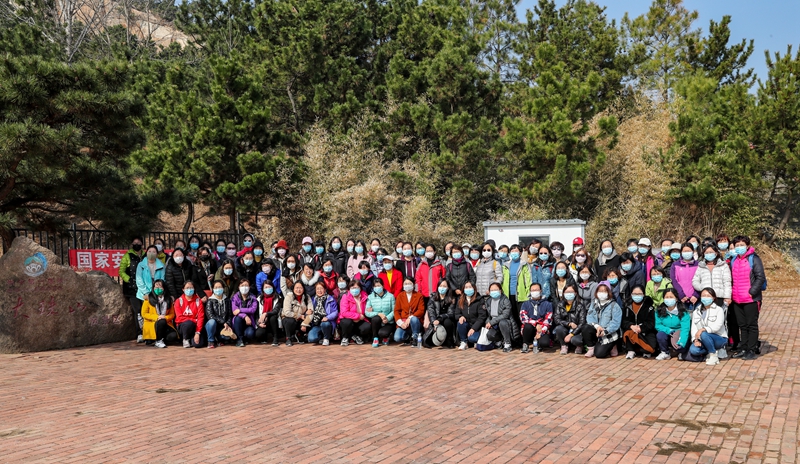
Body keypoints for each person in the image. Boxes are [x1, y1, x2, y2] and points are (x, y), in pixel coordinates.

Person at [729, 235, 766, 360]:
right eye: (737, 245)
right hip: (737, 299)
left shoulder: (754, 259)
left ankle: (751, 349)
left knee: (751, 325)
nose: (739, 247)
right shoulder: (734, 260)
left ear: (747, 246)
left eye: (742, 245)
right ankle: (743, 348)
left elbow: (760, 277)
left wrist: (751, 292)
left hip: (751, 299)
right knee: (742, 325)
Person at [687, 288, 729, 365]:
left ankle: (713, 355)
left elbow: (718, 326)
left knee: (704, 334)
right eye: (703, 295)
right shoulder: (696, 311)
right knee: (694, 350)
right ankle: (713, 350)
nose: (705, 298)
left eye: (708, 296)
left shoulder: (718, 310)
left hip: (719, 338)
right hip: (702, 339)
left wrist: (703, 329)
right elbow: (694, 328)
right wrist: (695, 340)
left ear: (713, 298)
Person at [582, 283, 622, 359]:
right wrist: (597, 327)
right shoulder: (594, 303)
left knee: (600, 354)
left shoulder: (614, 305)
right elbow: (589, 317)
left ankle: (613, 345)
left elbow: (616, 323)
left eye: (604, 291)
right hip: (597, 330)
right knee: (585, 328)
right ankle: (591, 348)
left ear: (608, 292)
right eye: (600, 291)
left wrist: (605, 331)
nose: (602, 293)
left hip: (609, 333)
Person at [134, 245, 165, 343]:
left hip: (156, 293)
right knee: (142, 314)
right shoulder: (141, 265)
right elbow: (139, 279)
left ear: (157, 254)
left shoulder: (161, 265)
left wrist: (156, 291)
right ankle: (141, 333)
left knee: (155, 314)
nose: (151, 253)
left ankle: (153, 335)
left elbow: (163, 279)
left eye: (154, 251)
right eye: (149, 251)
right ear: (146, 252)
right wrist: (146, 292)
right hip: (143, 294)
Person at [120, 236, 146, 342]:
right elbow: (121, 271)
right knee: (138, 310)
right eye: (134, 242)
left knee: (146, 310)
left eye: (138, 242)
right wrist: (129, 280)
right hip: (132, 289)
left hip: (144, 288)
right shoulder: (127, 256)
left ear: (142, 244)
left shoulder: (146, 255)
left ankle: (147, 332)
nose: (136, 244)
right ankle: (140, 333)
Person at [654, 288, 691, 360]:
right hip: (667, 334)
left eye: (671, 297)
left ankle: (681, 352)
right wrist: (668, 330)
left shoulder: (683, 312)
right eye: (666, 297)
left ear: (676, 299)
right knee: (660, 335)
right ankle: (665, 352)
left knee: (681, 347)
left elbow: (685, 329)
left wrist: (682, 342)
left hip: (680, 335)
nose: (669, 299)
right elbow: (658, 325)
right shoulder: (659, 311)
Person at [621, 285, 657, 359]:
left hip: (645, 332)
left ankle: (643, 350)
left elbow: (651, 323)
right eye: (635, 294)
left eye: (639, 294)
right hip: (632, 330)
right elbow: (624, 321)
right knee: (628, 333)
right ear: (631, 294)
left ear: (643, 294)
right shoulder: (627, 307)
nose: (637, 296)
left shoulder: (649, 307)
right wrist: (631, 326)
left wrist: (641, 328)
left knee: (650, 348)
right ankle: (631, 351)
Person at [140, 279, 177, 348]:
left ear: (164, 288)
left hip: (165, 323)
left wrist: (165, 317)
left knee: (173, 336)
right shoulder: (148, 299)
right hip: (152, 323)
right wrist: (157, 317)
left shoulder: (168, 300)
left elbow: (172, 314)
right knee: (161, 321)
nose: (158, 289)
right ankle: (158, 341)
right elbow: (144, 314)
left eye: (160, 287)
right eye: (156, 287)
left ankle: (161, 338)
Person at [552, 284, 588, 355]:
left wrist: (571, 334)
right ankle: (564, 345)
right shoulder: (560, 305)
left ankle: (579, 346)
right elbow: (557, 319)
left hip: (577, 330)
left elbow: (582, 322)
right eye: (567, 292)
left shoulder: (580, 306)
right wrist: (568, 323)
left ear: (575, 293)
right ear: (563, 293)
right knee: (559, 328)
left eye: (571, 292)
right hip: (565, 328)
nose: (569, 294)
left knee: (576, 340)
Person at [519, 283, 553, 353]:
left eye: (537, 290)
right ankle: (525, 344)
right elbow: (523, 318)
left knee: (545, 343)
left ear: (541, 291)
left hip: (542, 328)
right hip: (530, 329)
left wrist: (541, 332)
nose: (535, 292)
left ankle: (537, 344)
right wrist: (536, 324)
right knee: (527, 326)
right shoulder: (525, 304)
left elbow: (548, 320)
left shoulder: (548, 304)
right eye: (533, 290)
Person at [482, 282, 517, 353]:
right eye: (492, 290)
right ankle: (500, 341)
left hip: (505, 322)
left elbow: (505, 315)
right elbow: (489, 315)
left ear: (500, 291)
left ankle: (508, 343)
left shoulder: (505, 300)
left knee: (502, 323)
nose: (493, 291)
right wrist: (488, 322)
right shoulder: (488, 301)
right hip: (494, 324)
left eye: (496, 290)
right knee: (489, 335)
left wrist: (491, 322)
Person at [422, 280, 455, 348]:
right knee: (430, 340)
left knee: (448, 322)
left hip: (445, 319)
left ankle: (449, 340)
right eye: (441, 286)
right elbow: (431, 311)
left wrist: (440, 318)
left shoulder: (452, 298)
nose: (442, 288)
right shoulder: (433, 297)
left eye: (444, 286)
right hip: (435, 320)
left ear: (448, 288)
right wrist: (434, 321)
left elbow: (451, 313)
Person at [394, 277, 426, 346]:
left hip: (416, 322)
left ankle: (415, 338)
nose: (407, 285)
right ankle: (408, 338)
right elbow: (396, 311)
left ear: (413, 285)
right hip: (404, 322)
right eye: (405, 284)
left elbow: (421, 310)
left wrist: (410, 318)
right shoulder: (400, 296)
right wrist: (401, 323)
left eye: (409, 283)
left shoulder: (419, 295)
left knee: (414, 319)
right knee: (397, 338)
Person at [363, 280, 396, 347]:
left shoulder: (390, 296)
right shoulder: (370, 297)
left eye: (378, 286)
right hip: (377, 323)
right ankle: (375, 338)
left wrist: (387, 318)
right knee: (375, 319)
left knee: (383, 333)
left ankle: (386, 337)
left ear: (383, 286)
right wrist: (378, 314)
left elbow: (394, 311)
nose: (377, 288)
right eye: (375, 286)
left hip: (388, 322)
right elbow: (367, 312)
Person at [454, 282, 486, 350]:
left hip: (477, 327)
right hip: (466, 325)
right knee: (460, 323)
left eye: (470, 287)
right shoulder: (460, 300)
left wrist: (473, 328)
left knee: (472, 338)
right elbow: (456, 313)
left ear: (474, 288)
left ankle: (474, 340)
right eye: (466, 287)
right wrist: (460, 316)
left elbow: (482, 317)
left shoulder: (480, 300)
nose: (468, 289)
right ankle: (464, 342)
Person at [174, 281, 204, 348]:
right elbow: (179, 317)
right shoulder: (178, 301)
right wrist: (193, 320)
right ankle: (185, 339)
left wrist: (197, 332)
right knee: (189, 323)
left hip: (195, 327)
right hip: (183, 326)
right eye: (187, 288)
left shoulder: (198, 301)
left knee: (198, 344)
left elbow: (200, 317)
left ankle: (192, 338)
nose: (189, 290)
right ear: (183, 289)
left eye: (191, 288)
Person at [281, 281, 311, 346]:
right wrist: (299, 316)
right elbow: (287, 312)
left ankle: (299, 335)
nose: (298, 290)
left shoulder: (307, 297)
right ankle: (288, 338)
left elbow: (311, 311)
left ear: (303, 289)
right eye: (297, 288)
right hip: (289, 318)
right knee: (290, 321)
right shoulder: (289, 296)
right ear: (293, 288)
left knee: (309, 321)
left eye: (300, 288)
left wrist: (305, 323)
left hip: (302, 319)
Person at [670, 243, 699, 311]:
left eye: (689, 251)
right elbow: (674, 280)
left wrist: (696, 295)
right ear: (681, 252)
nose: (687, 253)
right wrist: (681, 294)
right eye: (685, 251)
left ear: (693, 252)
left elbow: (701, 280)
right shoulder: (675, 265)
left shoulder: (698, 265)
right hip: (681, 298)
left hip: (695, 299)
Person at [338, 281, 368, 346]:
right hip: (348, 319)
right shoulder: (345, 296)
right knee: (347, 323)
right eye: (352, 288)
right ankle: (345, 337)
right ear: (349, 288)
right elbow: (344, 312)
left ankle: (356, 336)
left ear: (360, 288)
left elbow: (367, 308)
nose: (354, 289)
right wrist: (358, 316)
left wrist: (369, 310)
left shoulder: (364, 296)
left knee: (367, 327)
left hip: (360, 320)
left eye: (356, 287)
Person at [204, 280, 233, 348]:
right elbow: (210, 315)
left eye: (220, 287)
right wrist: (223, 322)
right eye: (216, 287)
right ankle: (210, 341)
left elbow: (230, 314)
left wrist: (228, 324)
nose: (218, 289)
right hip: (213, 325)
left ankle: (219, 339)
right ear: (213, 289)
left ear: (223, 288)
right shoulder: (210, 301)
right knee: (211, 322)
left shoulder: (227, 300)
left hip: (222, 326)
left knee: (227, 337)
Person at [230, 279, 257, 347]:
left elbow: (253, 309)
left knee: (250, 334)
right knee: (238, 318)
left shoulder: (253, 297)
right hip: (238, 322)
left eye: (246, 285)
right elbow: (234, 311)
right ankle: (239, 340)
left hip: (249, 322)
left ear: (249, 287)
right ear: (239, 287)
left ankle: (244, 338)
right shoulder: (234, 297)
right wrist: (245, 316)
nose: (244, 287)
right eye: (242, 285)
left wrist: (240, 309)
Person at [256, 280, 281, 345]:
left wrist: (266, 314)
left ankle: (275, 338)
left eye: (269, 287)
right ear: (263, 289)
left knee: (273, 317)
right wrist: (258, 323)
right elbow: (256, 314)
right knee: (258, 334)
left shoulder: (278, 298)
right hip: (263, 321)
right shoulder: (259, 299)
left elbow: (276, 311)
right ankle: (265, 337)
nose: (268, 289)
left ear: (273, 287)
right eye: (266, 287)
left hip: (274, 321)